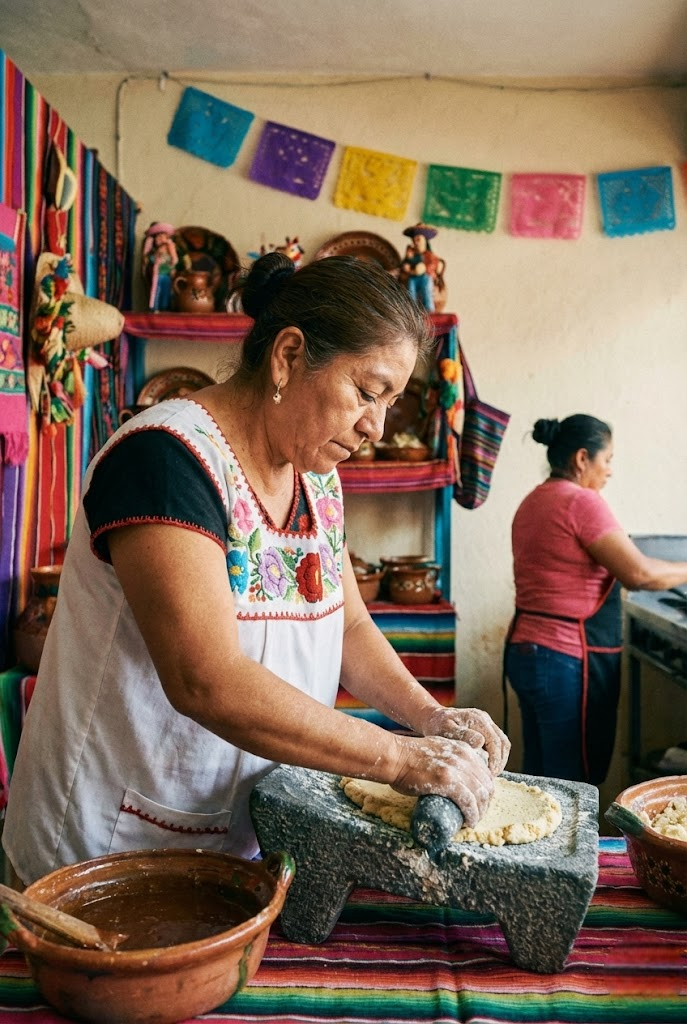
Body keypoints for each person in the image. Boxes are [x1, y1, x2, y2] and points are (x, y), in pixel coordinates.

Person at [3, 252, 509, 886]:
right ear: (290, 355)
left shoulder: (314, 476)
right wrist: (401, 758)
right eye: (367, 391)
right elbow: (204, 678)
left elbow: (347, 625)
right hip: (108, 845)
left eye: (390, 402)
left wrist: (428, 717)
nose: (375, 426)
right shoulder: (166, 461)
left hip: (240, 839)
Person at [504, 414, 687, 785]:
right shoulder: (582, 502)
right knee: (569, 785)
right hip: (562, 659)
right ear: (582, 458)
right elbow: (639, 573)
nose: (610, 471)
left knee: (539, 779)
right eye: (608, 459)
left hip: (525, 650)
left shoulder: (533, 501)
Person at [400, 223, 445, 313]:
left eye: (418, 240)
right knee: (410, 285)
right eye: (414, 240)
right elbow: (404, 268)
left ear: (425, 241)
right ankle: (411, 309)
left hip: (425, 278)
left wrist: (424, 269)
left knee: (427, 284)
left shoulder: (430, 256)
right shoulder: (411, 255)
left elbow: (434, 266)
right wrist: (408, 264)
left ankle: (429, 308)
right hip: (412, 278)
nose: (416, 243)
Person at [142, 221, 178, 312]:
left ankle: (165, 308)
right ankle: (155, 308)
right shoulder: (155, 250)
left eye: (162, 236)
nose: (160, 239)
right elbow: (149, 259)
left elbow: (174, 260)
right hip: (157, 275)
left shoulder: (170, 247)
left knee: (166, 292)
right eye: (158, 236)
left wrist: (171, 264)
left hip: (166, 275)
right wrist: (156, 258)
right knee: (156, 292)